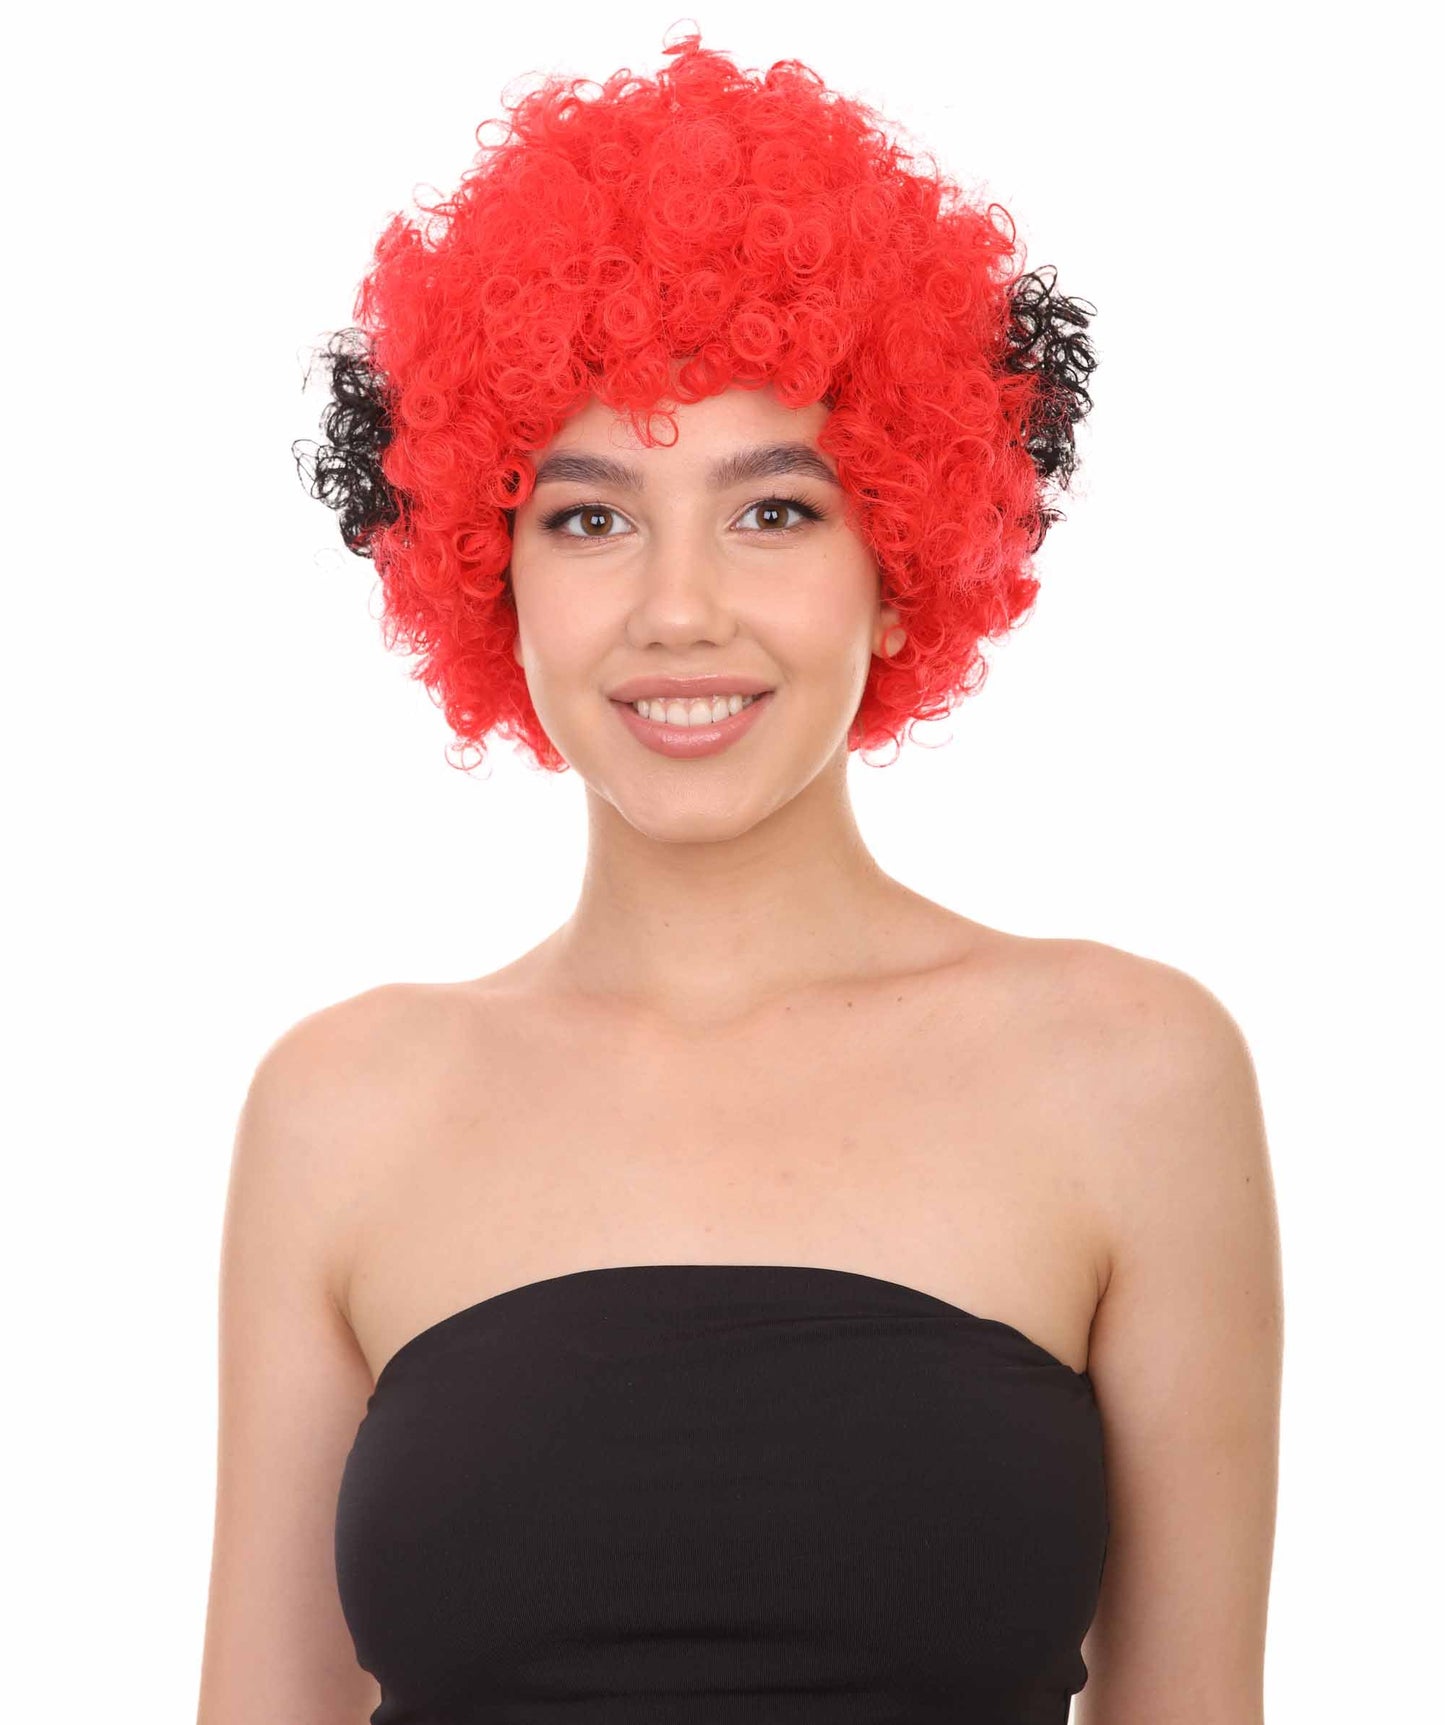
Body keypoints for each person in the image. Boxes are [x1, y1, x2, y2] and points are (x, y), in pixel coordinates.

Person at [198, 29, 1283, 1725]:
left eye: (773, 510)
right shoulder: (344, 1105)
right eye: (588, 516)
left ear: (902, 563)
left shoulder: (1130, 1074)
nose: (677, 608)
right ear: (486, 572)